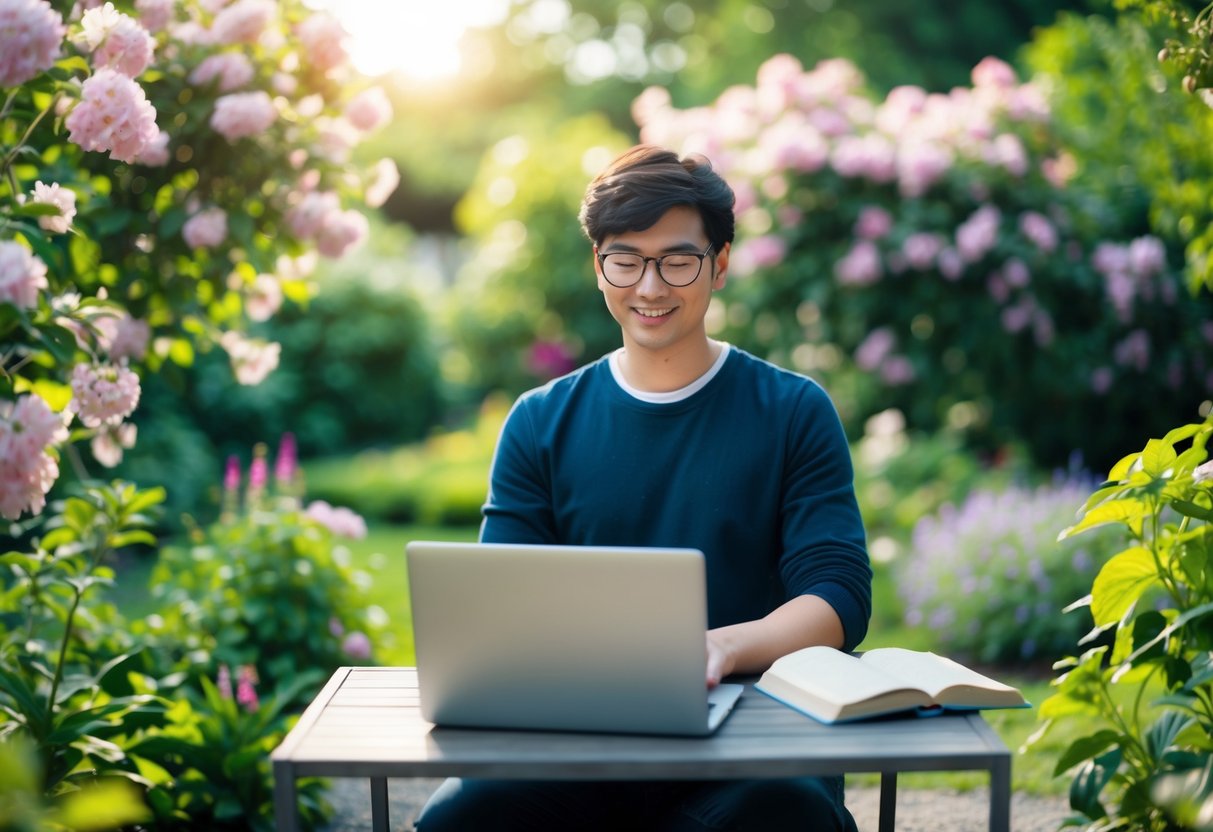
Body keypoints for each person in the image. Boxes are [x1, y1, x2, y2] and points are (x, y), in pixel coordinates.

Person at [415, 144, 872, 832]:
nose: (649, 287)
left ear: (718, 264)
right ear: (597, 265)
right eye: (625, 258)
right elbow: (502, 604)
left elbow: (836, 594)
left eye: (676, 260)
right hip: (578, 744)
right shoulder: (540, 422)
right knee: (461, 816)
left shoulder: (791, 411)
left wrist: (721, 647)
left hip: (758, 744)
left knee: (779, 815)